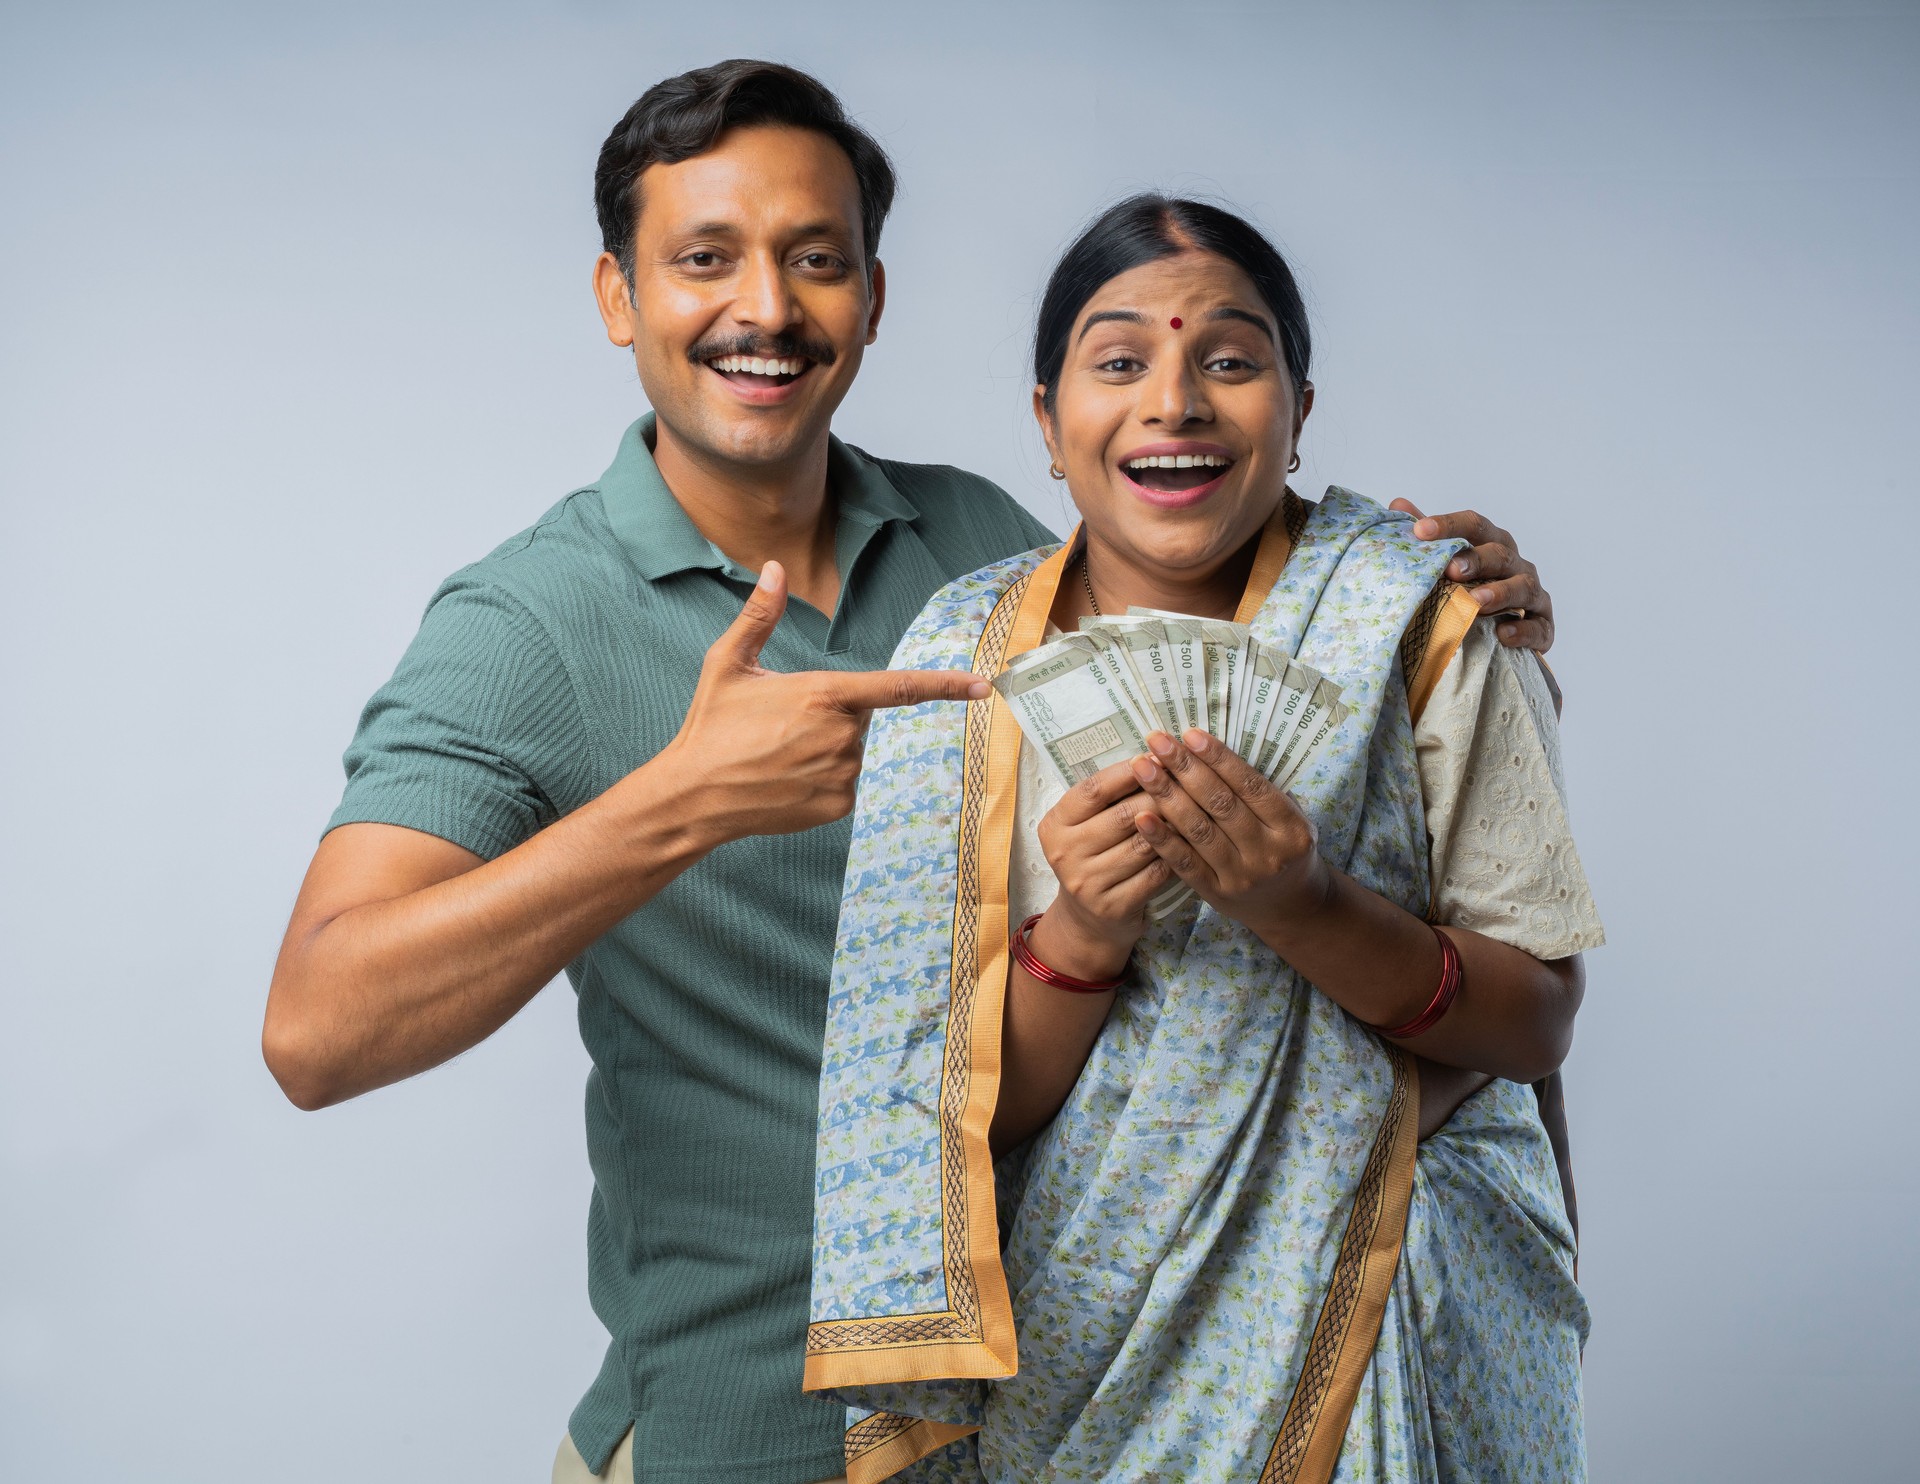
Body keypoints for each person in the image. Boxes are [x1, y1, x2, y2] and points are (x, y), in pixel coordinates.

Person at [260, 60, 1565, 1484]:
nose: (764, 307)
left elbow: (1256, 612)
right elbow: (318, 1033)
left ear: (872, 301)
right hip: (741, 1419)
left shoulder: (988, 556)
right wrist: (686, 797)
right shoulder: (527, 623)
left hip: (1070, 1396)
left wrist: (1446, 601)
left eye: (815, 260)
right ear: (618, 298)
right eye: (704, 260)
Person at [806, 195, 1600, 1483]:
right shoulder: (957, 667)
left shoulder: (1426, 618)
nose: (1174, 400)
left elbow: (1539, 1022)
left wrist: (1302, 906)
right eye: (1119, 361)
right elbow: (940, 1122)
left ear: (1297, 409)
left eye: (1229, 359)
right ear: (1047, 422)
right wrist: (1086, 931)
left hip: (1387, 1291)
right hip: (1075, 1330)